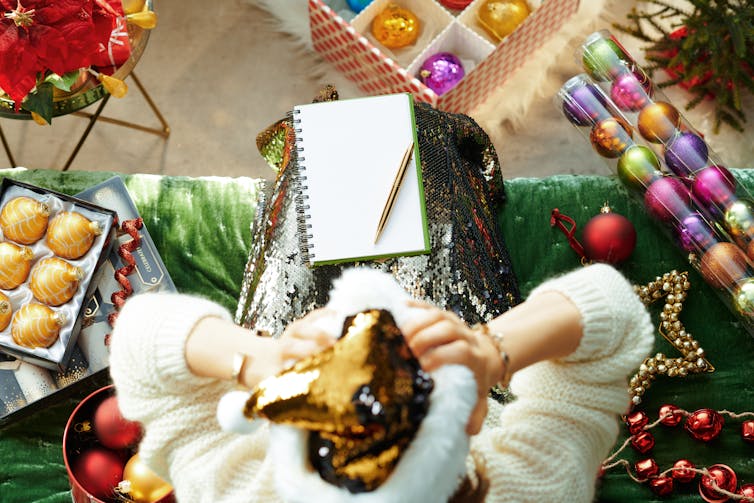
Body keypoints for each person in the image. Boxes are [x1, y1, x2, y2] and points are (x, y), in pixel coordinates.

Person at [109, 262, 654, 502]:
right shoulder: (537, 488)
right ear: (470, 415)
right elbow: (613, 310)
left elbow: (136, 337)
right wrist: (493, 350)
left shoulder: (236, 490)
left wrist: (261, 359)